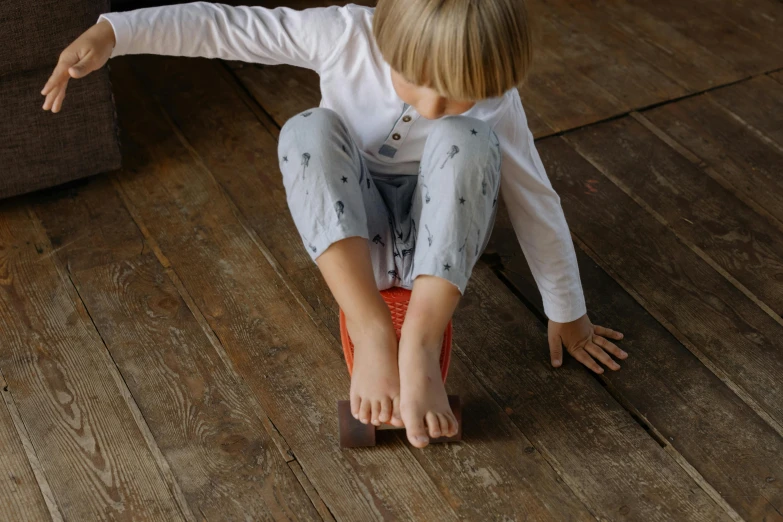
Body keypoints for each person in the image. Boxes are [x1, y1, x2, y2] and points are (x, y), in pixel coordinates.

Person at [42, 0, 627, 449]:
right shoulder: (346, 34)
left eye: (458, 94)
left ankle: (420, 341)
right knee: (307, 130)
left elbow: (535, 200)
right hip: (354, 239)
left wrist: (568, 313)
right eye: (415, 80)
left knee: (469, 140)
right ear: (387, 38)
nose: (429, 106)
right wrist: (116, 32)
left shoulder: (495, 98)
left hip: (438, 247)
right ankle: (372, 328)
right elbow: (227, 26)